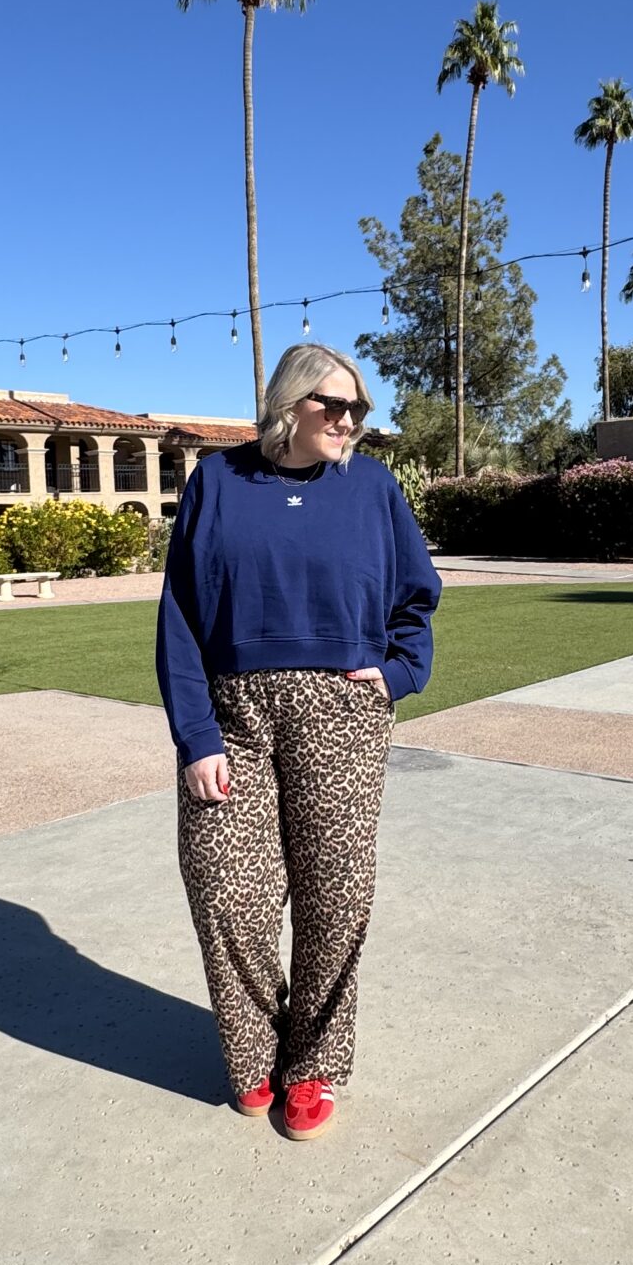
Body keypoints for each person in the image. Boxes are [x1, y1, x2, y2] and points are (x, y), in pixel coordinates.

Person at [157, 343, 442, 1140]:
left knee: (336, 894)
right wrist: (195, 736)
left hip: (342, 711)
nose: (350, 422)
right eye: (335, 406)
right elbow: (179, 615)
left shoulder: (373, 489)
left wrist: (399, 673)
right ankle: (253, 1051)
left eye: (360, 410)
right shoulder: (218, 481)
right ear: (289, 404)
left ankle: (312, 1063)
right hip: (232, 718)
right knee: (225, 888)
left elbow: (419, 596)